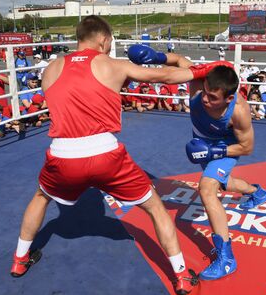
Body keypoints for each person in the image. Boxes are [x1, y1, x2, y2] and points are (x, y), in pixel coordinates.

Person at [11, 16, 204, 294]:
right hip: (104, 152)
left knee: (41, 197)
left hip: (62, 152)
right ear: (103, 39)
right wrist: (201, 71)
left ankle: (19, 260)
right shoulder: (112, 64)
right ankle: (182, 276)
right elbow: (164, 75)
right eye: (110, 42)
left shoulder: (51, 69)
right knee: (155, 208)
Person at [128, 45, 266, 281]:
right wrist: (156, 56)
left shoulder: (239, 111)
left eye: (213, 98)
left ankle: (227, 259)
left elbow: (247, 147)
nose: (204, 99)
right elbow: (180, 60)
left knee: (207, 189)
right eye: (205, 92)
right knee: (224, 183)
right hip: (201, 142)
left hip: (225, 146)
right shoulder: (198, 83)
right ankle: (257, 192)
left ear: (229, 98)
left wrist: (214, 150)